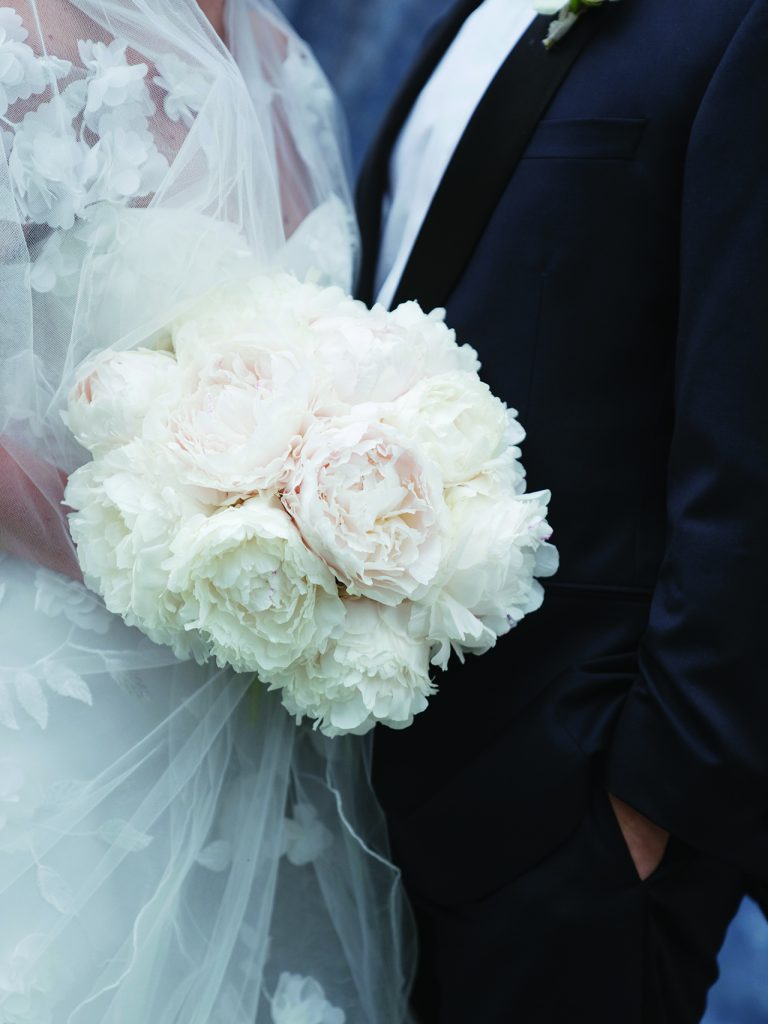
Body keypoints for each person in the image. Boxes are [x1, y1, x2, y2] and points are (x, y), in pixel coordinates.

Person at [0, 2, 414, 1020]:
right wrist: (156, 530)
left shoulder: (286, 62)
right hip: (74, 689)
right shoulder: (21, 39)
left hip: (278, 707)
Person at [356, 0, 768, 1020]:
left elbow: (748, 442)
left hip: (572, 820)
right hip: (377, 795)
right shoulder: (457, 26)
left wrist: (649, 807)